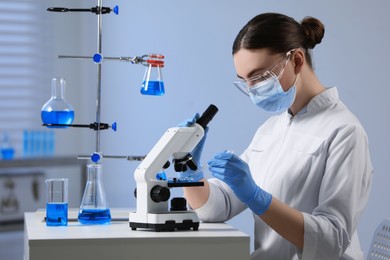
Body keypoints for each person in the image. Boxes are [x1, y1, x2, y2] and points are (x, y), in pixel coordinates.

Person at [180, 12, 373, 259]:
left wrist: (257, 198)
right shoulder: (271, 129)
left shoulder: (345, 131)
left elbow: (331, 239)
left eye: (259, 76)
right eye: (245, 81)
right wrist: (190, 171)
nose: (253, 90)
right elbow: (218, 206)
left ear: (297, 61)